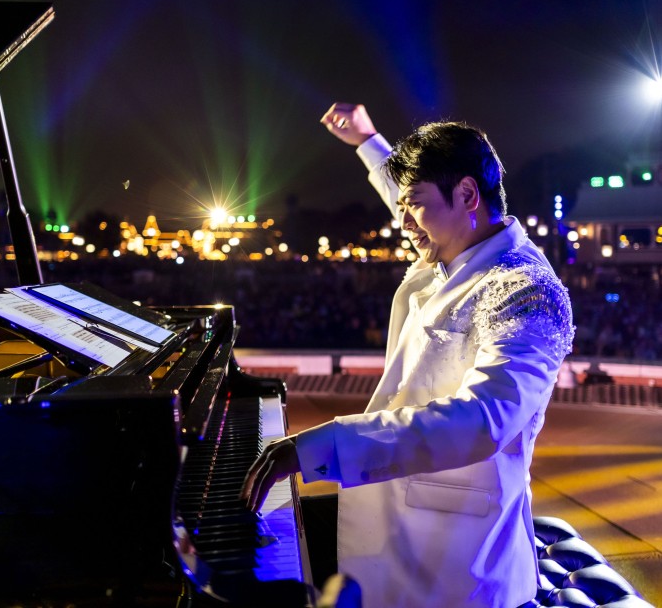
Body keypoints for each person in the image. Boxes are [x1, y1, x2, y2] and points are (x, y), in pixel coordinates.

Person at [241, 102, 574, 608]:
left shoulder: (525, 290)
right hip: (407, 531)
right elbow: (413, 197)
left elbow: (485, 420)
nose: (403, 222)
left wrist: (317, 446)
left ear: (467, 194)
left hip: (461, 570)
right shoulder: (456, 247)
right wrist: (367, 142)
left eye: (413, 205)